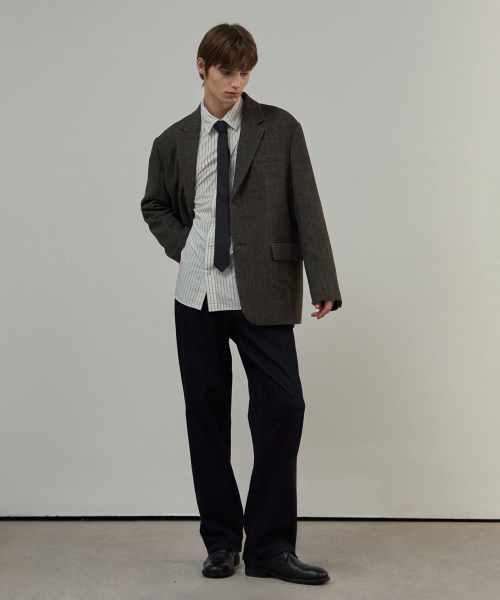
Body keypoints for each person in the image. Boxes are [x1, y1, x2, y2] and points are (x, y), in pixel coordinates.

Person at [140, 22, 342, 585]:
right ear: (201, 67)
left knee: (283, 407)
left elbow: (307, 203)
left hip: (265, 288)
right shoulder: (173, 140)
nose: (237, 83)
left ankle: (271, 546)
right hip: (196, 294)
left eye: (246, 72)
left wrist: (324, 278)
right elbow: (154, 205)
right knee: (206, 416)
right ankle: (222, 542)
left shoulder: (279, 128)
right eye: (227, 71)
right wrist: (186, 246)